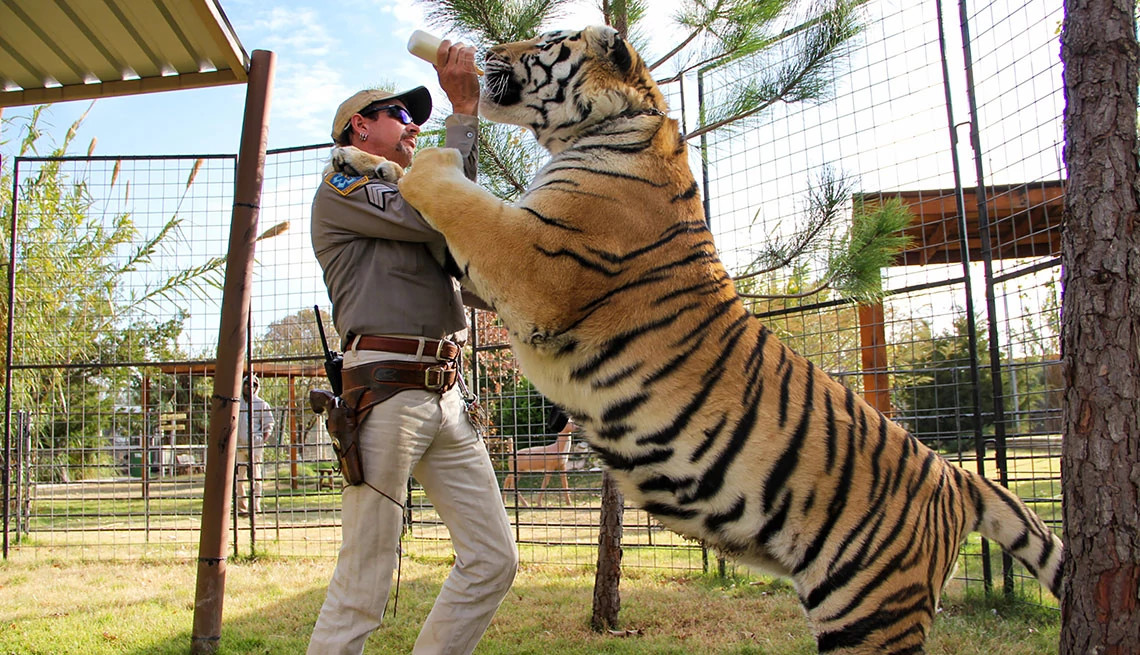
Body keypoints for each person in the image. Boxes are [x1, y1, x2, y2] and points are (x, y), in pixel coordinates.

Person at [307, 38, 517, 655]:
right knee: (363, 582)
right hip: (386, 389)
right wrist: (463, 116)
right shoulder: (343, 189)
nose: (412, 126)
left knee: (493, 559)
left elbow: (463, 222)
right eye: (399, 114)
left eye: (417, 117)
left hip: (446, 394)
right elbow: (438, 214)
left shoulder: (405, 194)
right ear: (359, 127)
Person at [236, 374, 274, 516]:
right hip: (239, 447)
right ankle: (242, 508)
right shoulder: (237, 403)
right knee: (239, 479)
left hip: (255, 447)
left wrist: (261, 439)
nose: (249, 387)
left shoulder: (261, 404)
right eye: (247, 384)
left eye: (253, 385)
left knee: (256, 478)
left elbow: (268, 424)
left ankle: (255, 507)